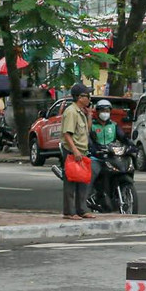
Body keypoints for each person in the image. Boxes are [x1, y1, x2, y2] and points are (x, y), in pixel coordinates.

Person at [60, 85, 94, 219]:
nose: (89, 98)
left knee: (82, 180)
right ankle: (69, 212)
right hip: (72, 151)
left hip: (82, 151)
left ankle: (81, 209)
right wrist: (74, 151)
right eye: (87, 96)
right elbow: (67, 134)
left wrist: (89, 115)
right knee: (71, 181)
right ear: (80, 97)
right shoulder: (71, 112)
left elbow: (87, 131)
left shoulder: (81, 112)